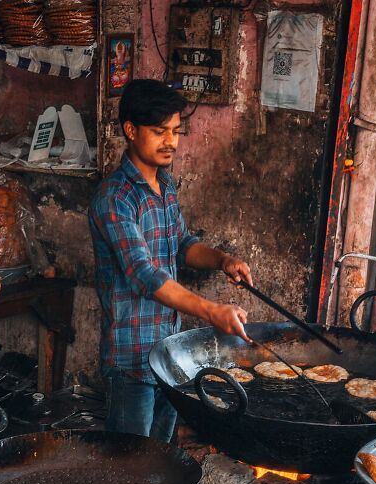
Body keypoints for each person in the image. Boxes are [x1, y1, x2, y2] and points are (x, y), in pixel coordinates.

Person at [89, 78, 253, 442]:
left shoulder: (165, 186)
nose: (171, 142)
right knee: (128, 464)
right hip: (131, 359)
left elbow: (181, 245)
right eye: (159, 131)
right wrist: (213, 312)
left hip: (168, 354)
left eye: (176, 131)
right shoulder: (114, 199)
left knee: (161, 459)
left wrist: (222, 259)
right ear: (130, 130)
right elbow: (145, 275)